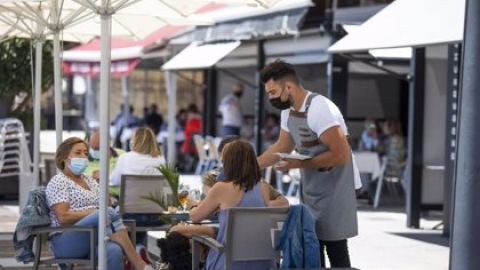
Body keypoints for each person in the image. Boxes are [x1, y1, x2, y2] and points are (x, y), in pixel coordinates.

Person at [257, 60, 358, 268]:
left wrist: (298, 164)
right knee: (312, 244)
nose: (271, 98)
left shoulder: (320, 108)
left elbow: (341, 155)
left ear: (288, 87)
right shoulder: (288, 110)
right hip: (313, 186)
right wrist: (251, 165)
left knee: (336, 246)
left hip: (335, 186)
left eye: (273, 92)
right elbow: (282, 146)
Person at [45, 137, 154, 270]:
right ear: (64, 157)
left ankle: (136, 262)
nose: (83, 156)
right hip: (65, 240)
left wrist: (103, 184)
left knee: (114, 251)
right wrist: (94, 212)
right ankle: (139, 264)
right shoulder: (59, 181)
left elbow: (107, 206)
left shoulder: (89, 180)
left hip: (94, 237)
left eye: (85, 153)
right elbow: (63, 217)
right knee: (106, 213)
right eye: (78, 153)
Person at [187, 140, 289, 270]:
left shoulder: (221, 188)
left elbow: (194, 217)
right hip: (264, 264)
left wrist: (195, 206)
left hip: (228, 264)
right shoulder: (263, 188)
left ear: (229, 163)